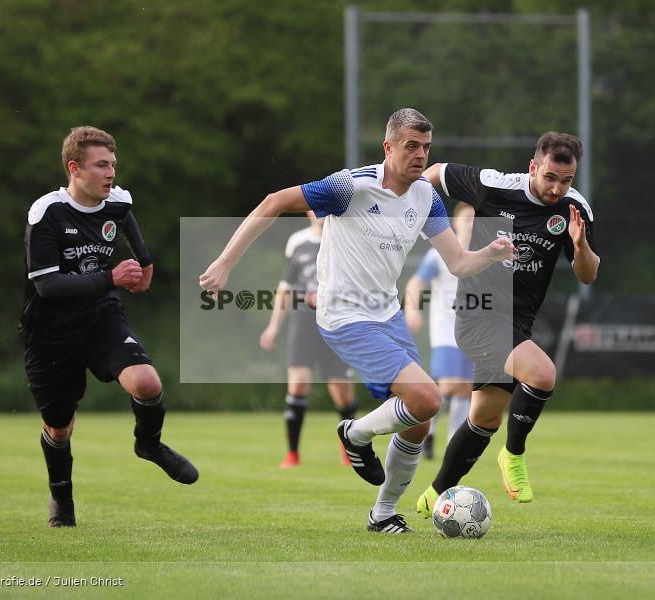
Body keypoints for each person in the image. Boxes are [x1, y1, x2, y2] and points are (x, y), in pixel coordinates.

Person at [200, 108, 516, 534]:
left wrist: (490, 254)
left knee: (419, 419)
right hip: (344, 316)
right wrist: (224, 263)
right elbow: (274, 202)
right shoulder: (350, 186)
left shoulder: (426, 197)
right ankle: (354, 434)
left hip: (386, 314)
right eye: (411, 146)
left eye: (426, 147)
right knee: (428, 399)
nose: (420, 155)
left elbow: (458, 264)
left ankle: (382, 514)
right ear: (388, 147)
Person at [20, 126, 198, 528]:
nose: (111, 173)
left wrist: (145, 266)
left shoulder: (116, 202)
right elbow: (46, 285)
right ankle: (62, 500)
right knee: (59, 428)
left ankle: (149, 445)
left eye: (113, 165)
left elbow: (130, 227)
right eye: (102, 165)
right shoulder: (47, 212)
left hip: (101, 316)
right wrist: (113, 277)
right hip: (50, 332)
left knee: (147, 382)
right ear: (75, 168)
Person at [416, 131, 599, 518]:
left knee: (483, 418)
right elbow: (434, 173)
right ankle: (513, 456)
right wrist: (405, 206)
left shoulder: (573, 208)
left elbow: (588, 275)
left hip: (518, 323)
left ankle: (435, 493)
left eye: (566, 180)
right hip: (476, 313)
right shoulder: (495, 186)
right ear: (533, 167)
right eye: (550, 177)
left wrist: (580, 246)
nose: (556, 188)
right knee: (543, 374)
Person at [259, 212, 357, 468]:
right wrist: (273, 326)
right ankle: (292, 454)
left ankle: (348, 449)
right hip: (303, 322)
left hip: (337, 323)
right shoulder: (298, 243)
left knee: (343, 395)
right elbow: (285, 288)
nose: (321, 213)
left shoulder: (346, 239)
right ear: (309, 211)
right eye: (316, 208)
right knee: (299, 384)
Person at [404, 203, 475, 459]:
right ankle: (429, 431)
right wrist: (412, 309)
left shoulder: (483, 254)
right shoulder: (440, 254)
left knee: (466, 388)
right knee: (449, 385)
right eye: (466, 219)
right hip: (446, 330)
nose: (471, 224)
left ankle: (453, 444)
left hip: (473, 333)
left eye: (475, 219)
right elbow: (415, 283)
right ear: (455, 222)